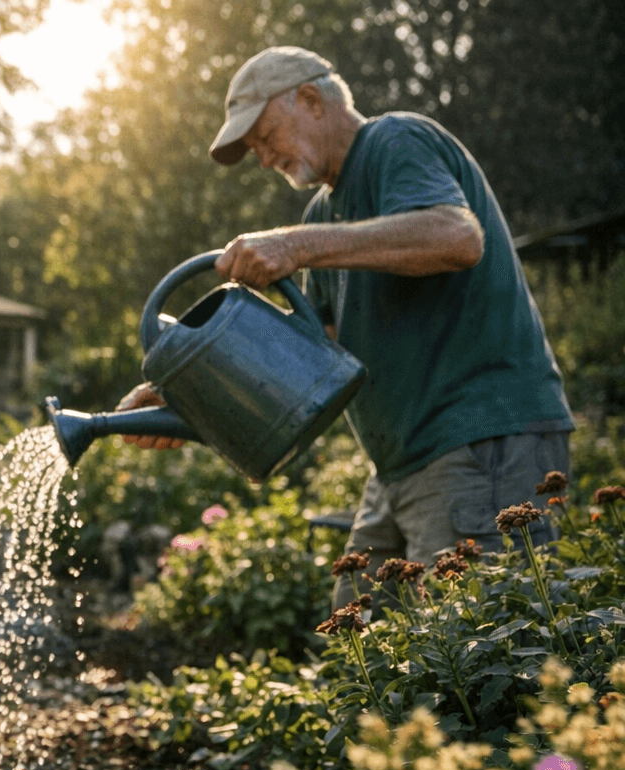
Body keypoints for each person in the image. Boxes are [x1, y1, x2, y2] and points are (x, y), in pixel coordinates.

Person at [119, 46, 573, 607]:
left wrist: (295, 247)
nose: (263, 158)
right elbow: (314, 357)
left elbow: (456, 237)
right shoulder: (321, 213)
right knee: (357, 618)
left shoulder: (394, 140)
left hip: (483, 440)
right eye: (254, 148)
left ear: (311, 99)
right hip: (402, 464)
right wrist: (184, 392)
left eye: (265, 136)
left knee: (482, 637)